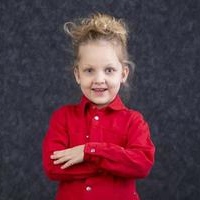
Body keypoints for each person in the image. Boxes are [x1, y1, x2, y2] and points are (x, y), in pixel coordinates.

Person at [42, 12, 155, 200]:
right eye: (89, 70)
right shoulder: (62, 117)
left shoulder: (133, 121)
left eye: (109, 70)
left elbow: (142, 164)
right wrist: (114, 162)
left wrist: (88, 151)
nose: (99, 79)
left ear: (123, 74)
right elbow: (53, 167)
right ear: (78, 75)